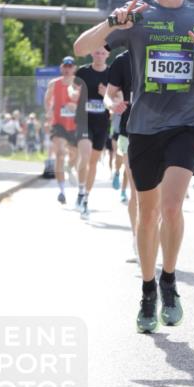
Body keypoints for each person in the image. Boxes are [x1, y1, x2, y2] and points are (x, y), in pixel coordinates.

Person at [73, 0, 194, 333]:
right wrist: (112, 23)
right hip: (143, 126)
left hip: (187, 122)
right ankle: (147, 290)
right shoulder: (137, 15)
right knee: (148, 214)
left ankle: (169, 280)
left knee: (172, 207)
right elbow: (82, 47)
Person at [104, 48, 140, 256]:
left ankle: (150, 233)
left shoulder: (166, 52)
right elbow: (108, 96)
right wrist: (113, 105)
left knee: (159, 195)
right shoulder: (123, 60)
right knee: (138, 190)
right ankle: (137, 238)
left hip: (163, 132)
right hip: (130, 131)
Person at [44, 57, 87, 204]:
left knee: (75, 156)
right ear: (61, 68)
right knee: (60, 153)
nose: (68, 69)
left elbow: (86, 102)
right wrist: (49, 112)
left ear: (74, 68)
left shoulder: (80, 84)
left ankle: (70, 167)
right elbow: (47, 100)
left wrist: (77, 107)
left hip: (75, 125)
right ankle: (62, 191)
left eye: (70, 66)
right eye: (65, 66)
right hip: (59, 124)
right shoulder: (54, 84)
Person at [74, 47, 110, 219]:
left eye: (103, 53)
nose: (100, 55)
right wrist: (75, 94)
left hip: (102, 124)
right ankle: (81, 190)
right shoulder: (83, 72)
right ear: (91, 53)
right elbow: (72, 89)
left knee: (93, 162)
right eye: (97, 52)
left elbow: (118, 97)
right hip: (84, 121)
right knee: (85, 155)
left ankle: (86, 196)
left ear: (108, 55)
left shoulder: (112, 73)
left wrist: (106, 94)